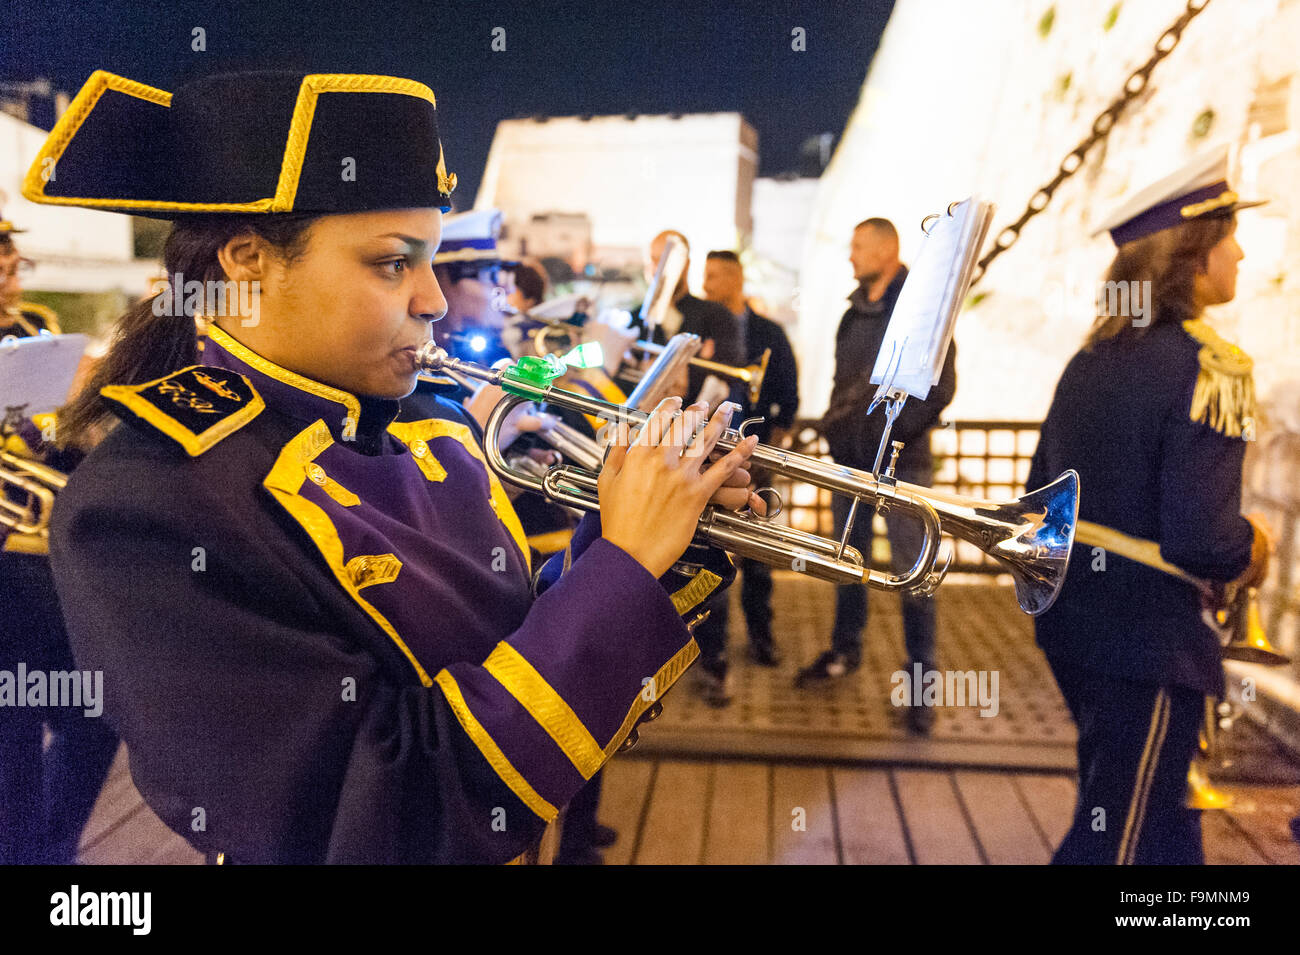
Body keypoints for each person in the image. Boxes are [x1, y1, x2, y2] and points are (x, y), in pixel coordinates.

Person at [26, 68, 761, 864]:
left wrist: (653, 545)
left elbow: (506, 654)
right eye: (392, 263)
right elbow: (385, 812)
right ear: (247, 260)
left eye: (438, 262)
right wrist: (619, 569)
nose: (436, 299)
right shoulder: (146, 502)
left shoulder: (427, 420)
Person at [1027, 146, 1273, 864]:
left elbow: (1039, 486)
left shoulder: (1089, 359)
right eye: (1229, 238)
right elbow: (1203, 538)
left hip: (1075, 622)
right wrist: (1254, 544)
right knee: (1120, 836)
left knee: (1163, 822)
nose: (1241, 253)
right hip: (1150, 638)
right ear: (1195, 255)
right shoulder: (1211, 366)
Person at [798, 218, 956, 737]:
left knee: (916, 575)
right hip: (852, 464)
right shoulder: (854, 313)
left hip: (903, 463)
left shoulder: (920, 306)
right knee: (848, 562)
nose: (850, 256)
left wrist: (891, 436)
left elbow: (940, 386)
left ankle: (922, 688)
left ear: (887, 251)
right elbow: (845, 385)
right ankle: (845, 651)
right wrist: (842, 434)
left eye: (859, 246)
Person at [0, 216, 119, 864]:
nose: (14, 276)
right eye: (3, 266)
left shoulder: (30, 330)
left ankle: (46, 851)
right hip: (7, 573)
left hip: (57, 565)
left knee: (96, 713)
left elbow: (66, 434)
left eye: (15, 263)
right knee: (10, 743)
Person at [698, 249, 800, 674]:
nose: (706, 286)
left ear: (737, 279)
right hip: (709, 456)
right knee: (712, 552)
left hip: (757, 456)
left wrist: (768, 450)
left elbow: (789, 396)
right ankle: (711, 654)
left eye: (716, 276)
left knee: (759, 555)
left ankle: (762, 637)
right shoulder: (698, 329)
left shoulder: (768, 333)